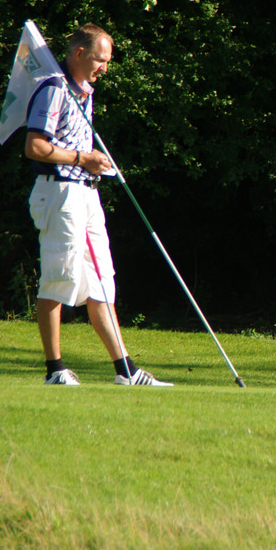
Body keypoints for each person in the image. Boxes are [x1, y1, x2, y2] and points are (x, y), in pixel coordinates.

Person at [24, 23, 172, 387]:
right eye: (100, 59)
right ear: (79, 53)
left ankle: (126, 370)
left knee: (102, 280)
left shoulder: (83, 92)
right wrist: (82, 158)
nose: (104, 67)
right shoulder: (53, 90)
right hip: (59, 193)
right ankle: (55, 369)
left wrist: (94, 161)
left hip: (86, 192)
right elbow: (35, 146)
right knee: (59, 277)